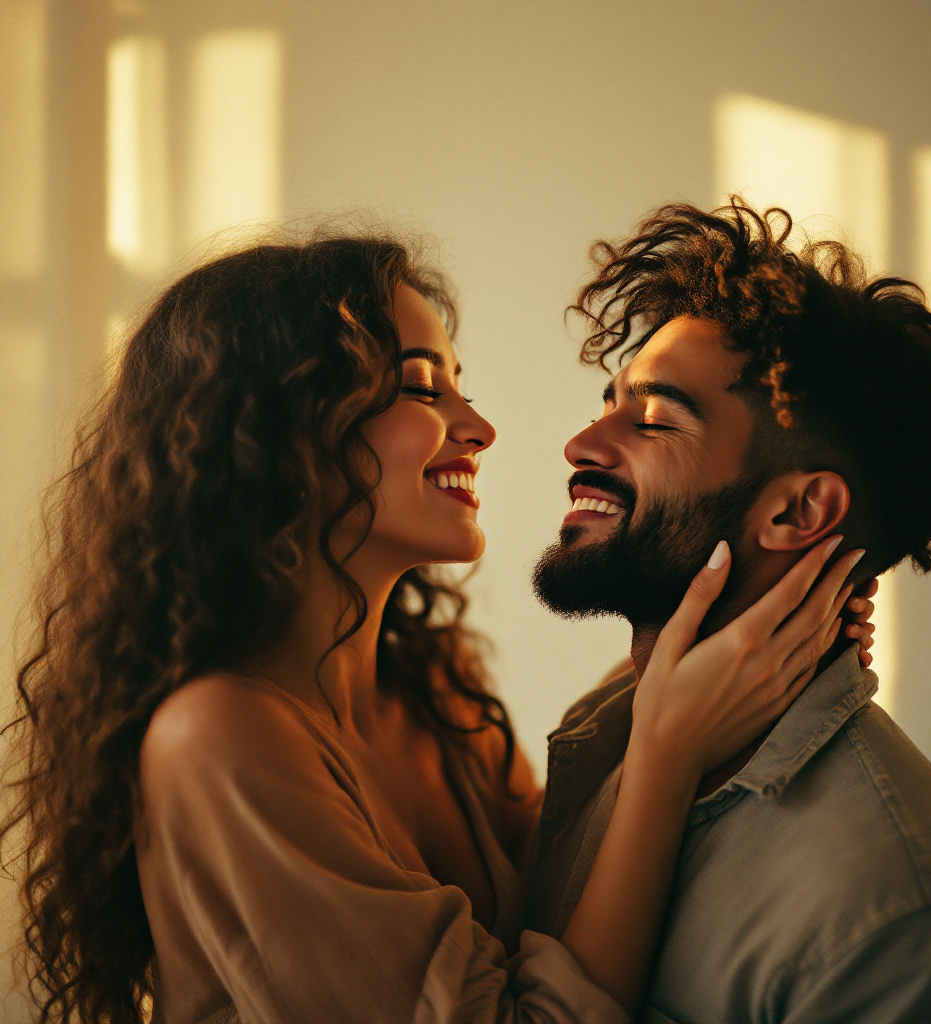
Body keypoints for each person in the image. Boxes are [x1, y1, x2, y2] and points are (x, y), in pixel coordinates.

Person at [0, 231, 872, 1024]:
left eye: (461, 386)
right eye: (423, 387)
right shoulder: (219, 737)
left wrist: (739, 635)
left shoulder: (429, 685)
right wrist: (669, 747)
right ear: (277, 429)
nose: (480, 429)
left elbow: (567, 891)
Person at [526, 199, 931, 1022]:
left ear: (798, 514)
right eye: (607, 400)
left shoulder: (905, 920)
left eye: (651, 419)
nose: (582, 442)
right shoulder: (609, 725)